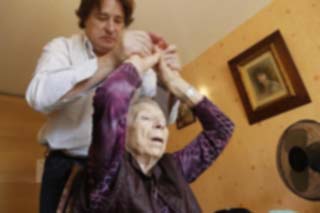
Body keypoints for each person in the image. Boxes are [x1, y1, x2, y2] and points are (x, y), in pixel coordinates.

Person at [25, 0, 177, 212]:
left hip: (120, 169)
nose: (111, 28)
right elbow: (38, 96)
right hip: (66, 167)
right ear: (85, 18)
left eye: (118, 20)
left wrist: (167, 82)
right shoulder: (62, 48)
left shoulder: (138, 60)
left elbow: (161, 117)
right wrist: (112, 60)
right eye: (102, 18)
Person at [61, 44, 235, 212]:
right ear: (124, 133)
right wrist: (138, 63)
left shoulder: (174, 168)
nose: (160, 125)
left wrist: (176, 83)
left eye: (161, 121)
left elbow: (221, 129)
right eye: (146, 118)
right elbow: (111, 96)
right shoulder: (109, 170)